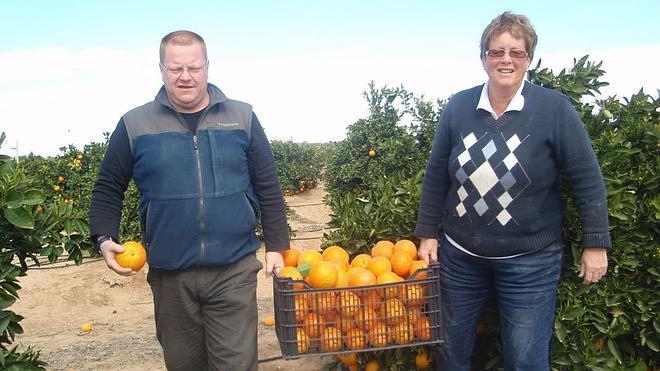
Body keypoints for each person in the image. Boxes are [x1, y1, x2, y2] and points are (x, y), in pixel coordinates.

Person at [415, 12, 610, 371]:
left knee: (525, 361)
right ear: (484, 58)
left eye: (516, 52)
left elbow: (585, 176)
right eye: (497, 51)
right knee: (450, 354)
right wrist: (427, 233)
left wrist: (596, 243)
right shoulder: (459, 106)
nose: (505, 59)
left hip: (530, 262)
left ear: (528, 60)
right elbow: (436, 175)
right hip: (460, 258)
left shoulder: (554, 109)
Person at [89, 30, 289, 371]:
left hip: (233, 268)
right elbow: (109, 186)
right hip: (170, 275)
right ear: (161, 69)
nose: (185, 76)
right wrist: (104, 237)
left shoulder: (241, 117)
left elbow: (267, 183)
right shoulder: (135, 124)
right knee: (184, 364)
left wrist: (277, 244)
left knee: (237, 365)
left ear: (207, 68)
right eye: (175, 68)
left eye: (194, 68)